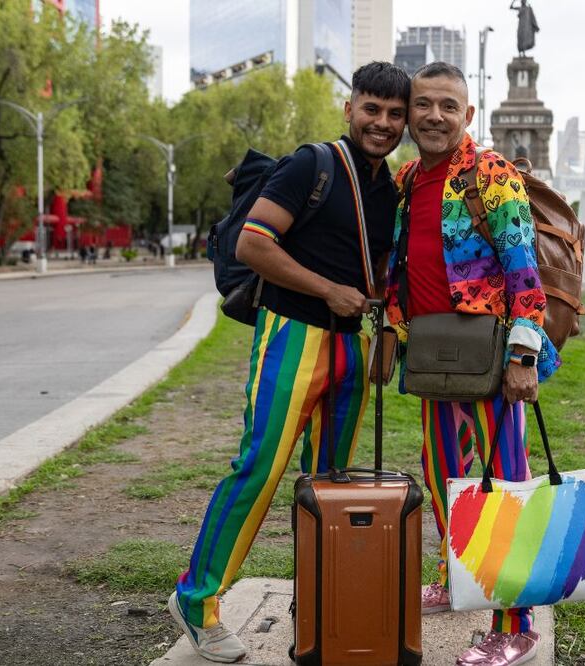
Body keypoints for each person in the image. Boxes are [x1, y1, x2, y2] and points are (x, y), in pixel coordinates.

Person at [168, 61, 410, 663]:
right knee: (259, 469)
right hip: (292, 336)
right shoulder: (313, 164)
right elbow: (253, 242)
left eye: (394, 114)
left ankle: (321, 599)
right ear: (349, 108)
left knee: (329, 483)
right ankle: (197, 601)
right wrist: (327, 290)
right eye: (371, 109)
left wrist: (389, 334)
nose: (382, 123)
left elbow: (382, 268)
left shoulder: (390, 186)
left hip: (352, 345)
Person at [385, 62, 559, 666]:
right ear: (410, 114)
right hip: (433, 361)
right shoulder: (407, 179)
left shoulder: (490, 174)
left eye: (448, 106)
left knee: (502, 490)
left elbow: (524, 275)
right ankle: (460, 576)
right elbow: (401, 267)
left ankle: (514, 626)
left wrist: (522, 356)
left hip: (490, 364)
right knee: (443, 481)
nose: (435, 116)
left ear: (468, 115)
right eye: (424, 104)